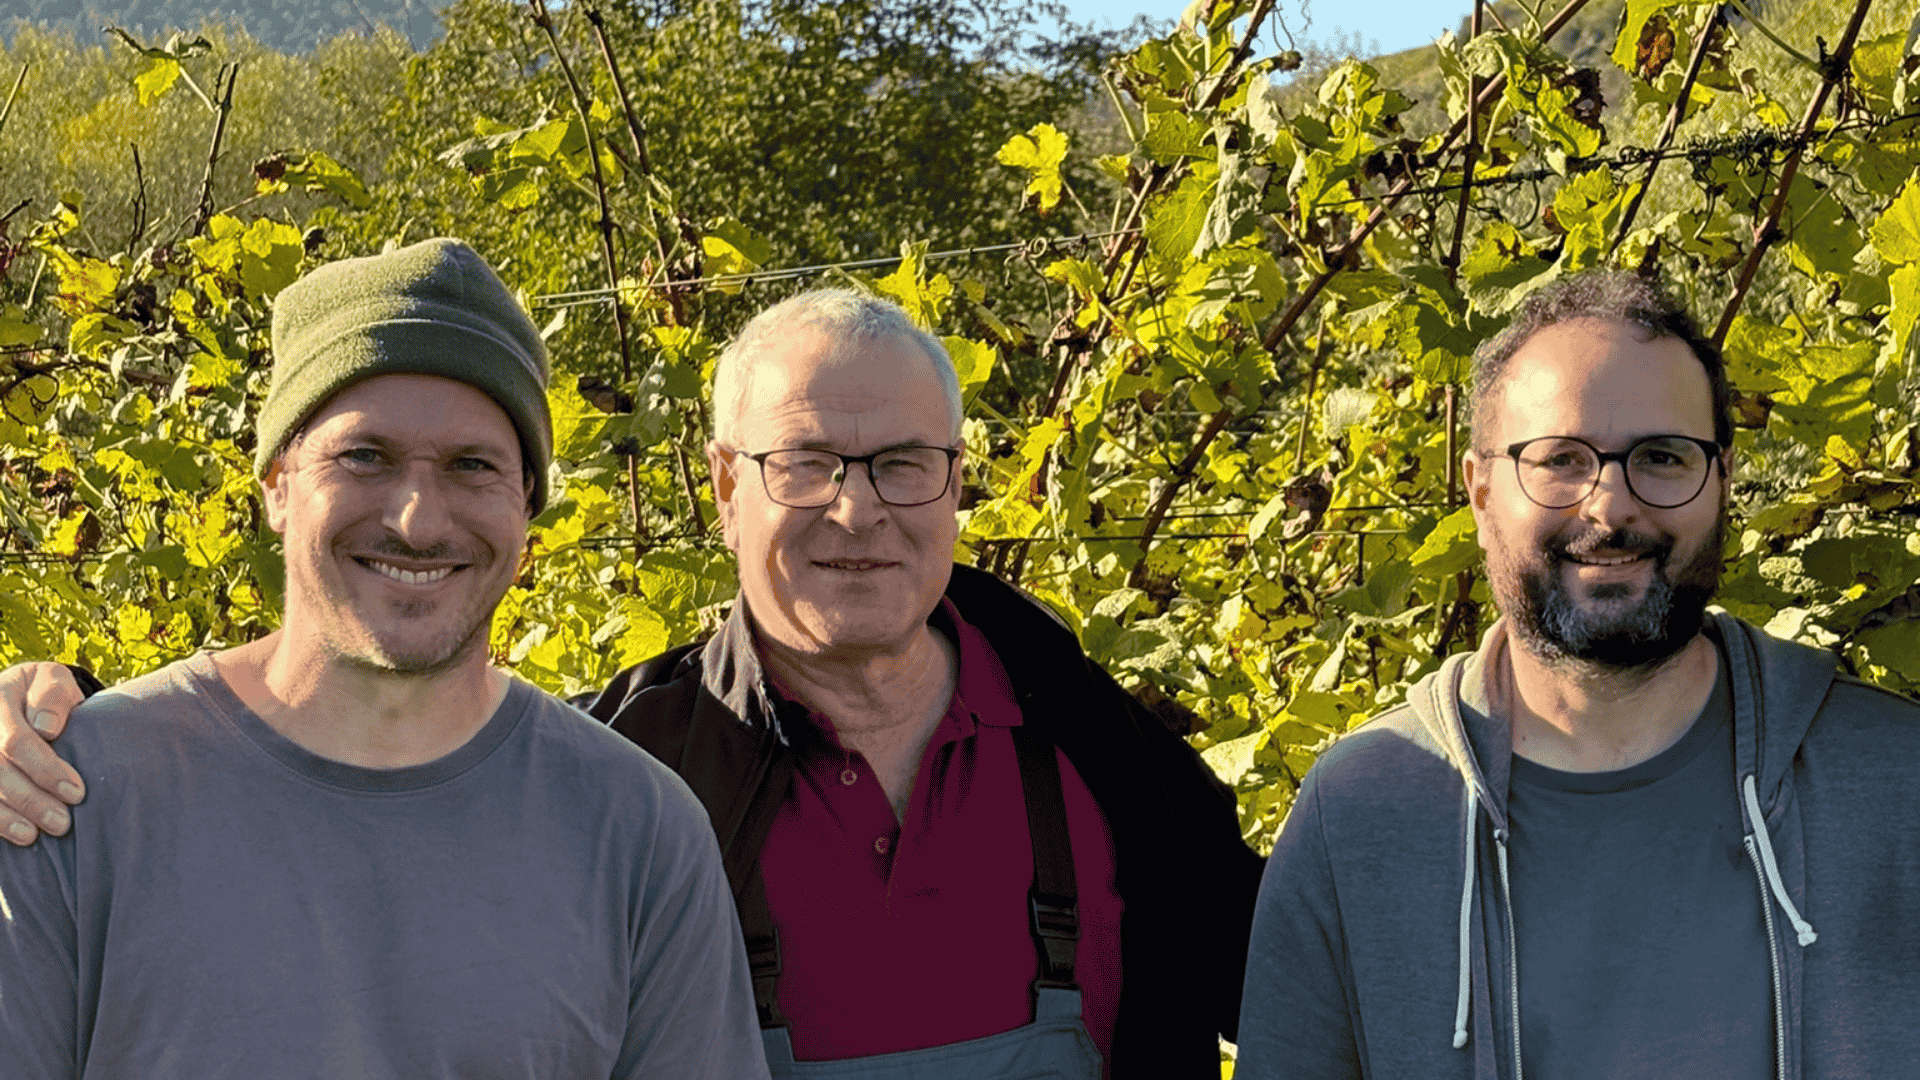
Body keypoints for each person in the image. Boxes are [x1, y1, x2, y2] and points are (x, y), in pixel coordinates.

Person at [0, 289, 1263, 1078]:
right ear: (722, 485)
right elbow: (369, 756)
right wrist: (72, 727)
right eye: (806, 462)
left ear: (959, 483)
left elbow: (1320, 1008)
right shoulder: (640, 773)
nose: (855, 511)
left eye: (901, 466)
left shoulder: (1113, 765)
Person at [0, 239, 769, 1078]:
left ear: (527, 508)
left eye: (473, 466)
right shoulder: (65, 797)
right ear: (277, 482)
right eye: (366, 456)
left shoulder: (639, 833)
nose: (418, 520)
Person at [1232, 270, 1920, 1079]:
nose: (1611, 506)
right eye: (1561, 459)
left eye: (1663, 457)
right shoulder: (1361, 814)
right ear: (1481, 488)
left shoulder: (1892, 783)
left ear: (1725, 481)